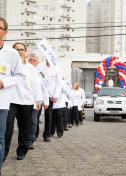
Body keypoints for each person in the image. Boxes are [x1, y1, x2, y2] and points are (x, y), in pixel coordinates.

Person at [4, 42, 42, 160]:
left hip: (26, 101)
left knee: (24, 127)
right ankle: (3, 154)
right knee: (8, 128)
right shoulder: (7, 65)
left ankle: (22, 150)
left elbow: (36, 85)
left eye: (21, 49)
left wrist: (38, 100)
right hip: (10, 100)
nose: (19, 51)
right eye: (17, 49)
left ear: (26, 52)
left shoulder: (31, 68)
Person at [0, 17, 25, 175]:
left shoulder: (12, 54)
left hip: (1, 103)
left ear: (5, 32)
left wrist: (4, 83)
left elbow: (20, 76)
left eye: (0, 27)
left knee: (0, 139)